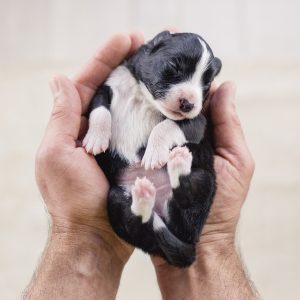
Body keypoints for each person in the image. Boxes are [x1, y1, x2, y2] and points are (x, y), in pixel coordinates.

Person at [23, 32, 258, 300]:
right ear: (153, 48)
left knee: (197, 174)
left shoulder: (186, 114)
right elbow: (102, 101)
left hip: (179, 193)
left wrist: (210, 236)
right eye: (174, 70)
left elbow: (193, 128)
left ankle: (168, 191)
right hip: (128, 189)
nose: (190, 97)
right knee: (117, 200)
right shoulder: (120, 77)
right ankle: (143, 211)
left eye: (203, 84)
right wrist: (99, 124)